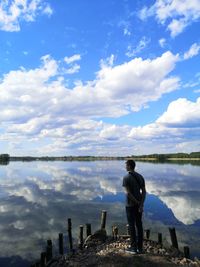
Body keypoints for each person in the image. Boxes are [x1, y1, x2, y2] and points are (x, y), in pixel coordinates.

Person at [122, 159, 146, 254]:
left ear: (129, 166)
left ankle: (133, 248)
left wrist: (136, 202)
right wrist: (141, 204)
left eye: (126, 165)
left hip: (130, 205)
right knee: (139, 225)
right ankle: (140, 248)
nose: (125, 167)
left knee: (131, 225)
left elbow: (128, 193)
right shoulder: (140, 176)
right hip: (139, 204)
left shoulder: (126, 177)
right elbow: (144, 192)